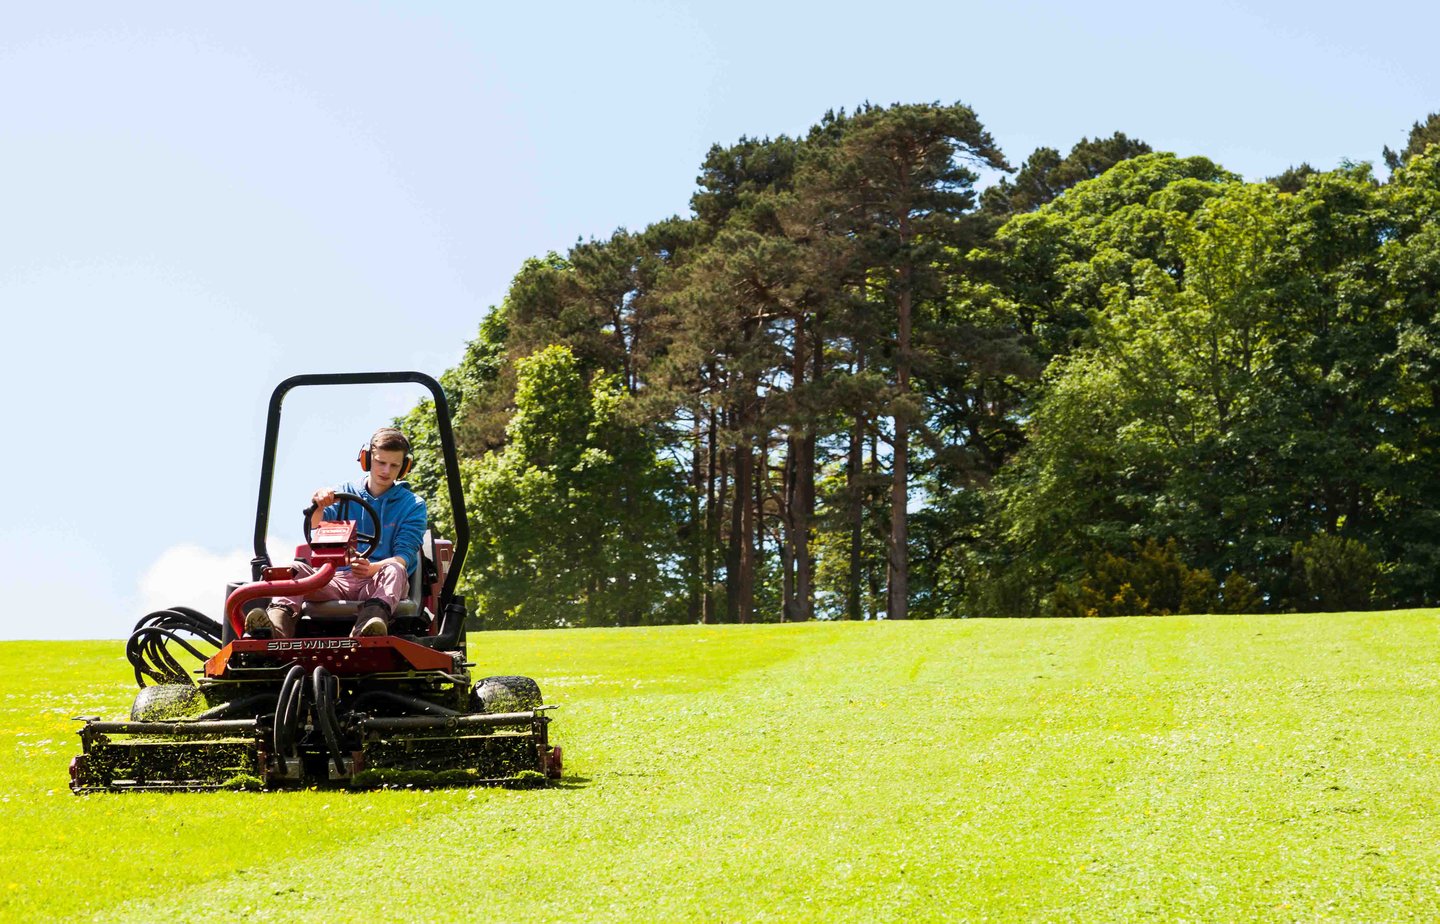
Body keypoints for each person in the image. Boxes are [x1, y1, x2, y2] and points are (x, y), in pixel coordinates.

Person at [245, 427, 429, 639]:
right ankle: (274, 631)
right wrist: (319, 505)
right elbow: (316, 525)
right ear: (367, 459)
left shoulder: (412, 505)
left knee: (395, 569)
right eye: (380, 462)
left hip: (378, 580)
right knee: (295, 569)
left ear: (404, 468)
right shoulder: (344, 493)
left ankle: (367, 630)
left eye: (394, 465)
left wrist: (372, 568)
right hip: (335, 578)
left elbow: (403, 557)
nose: (386, 471)